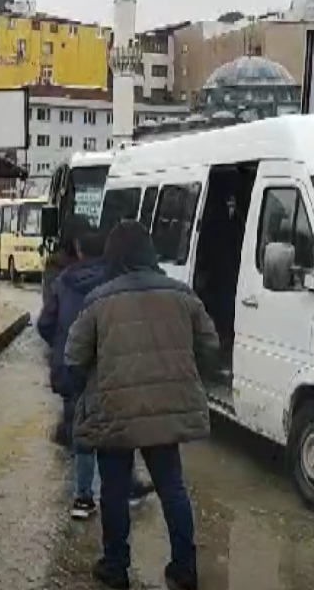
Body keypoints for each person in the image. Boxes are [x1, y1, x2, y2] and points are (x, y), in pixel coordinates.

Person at [64, 221, 219, 590]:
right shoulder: (182, 295)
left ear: (113, 255)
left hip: (114, 411)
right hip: (165, 413)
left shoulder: (99, 300)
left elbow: (73, 357)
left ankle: (116, 567)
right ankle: (184, 568)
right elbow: (210, 347)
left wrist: (85, 388)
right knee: (173, 488)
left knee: (114, 491)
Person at [38, 229, 154, 521]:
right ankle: (125, 489)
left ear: (78, 250)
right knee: (117, 428)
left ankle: (82, 497)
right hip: (107, 366)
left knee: (81, 431)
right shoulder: (117, 282)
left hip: (70, 365)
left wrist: (59, 344)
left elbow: (43, 323)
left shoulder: (64, 280)